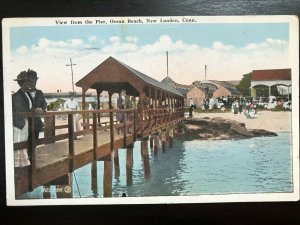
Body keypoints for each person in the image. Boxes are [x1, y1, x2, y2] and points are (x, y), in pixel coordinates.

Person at [12, 71, 33, 167]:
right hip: (19, 123)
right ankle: (17, 163)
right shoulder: (16, 96)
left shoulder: (27, 94)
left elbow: (29, 107)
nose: (29, 84)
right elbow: (19, 109)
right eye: (27, 83)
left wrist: (35, 109)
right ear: (22, 84)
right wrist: (31, 111)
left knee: (24, 140)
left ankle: (23, 161)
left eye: (29, 82)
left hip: (25, 122)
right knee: (19, 140)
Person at [27, 69, 47, 139]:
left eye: (35, 80)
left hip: (37, 124)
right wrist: (34, 109)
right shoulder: (24, 92)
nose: (34, 82)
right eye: (31, 80)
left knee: (35, 142)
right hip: (26, 123)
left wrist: (43, 108)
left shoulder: (39, 92)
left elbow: (44, 103)